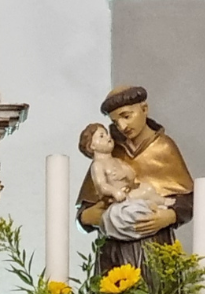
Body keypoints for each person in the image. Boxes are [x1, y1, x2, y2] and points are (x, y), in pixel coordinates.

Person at [76, 85, 194, 274]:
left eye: (126, 116)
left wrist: (169, 216)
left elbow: (188, 200)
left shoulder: (164, 147)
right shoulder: (107, 152)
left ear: (144, 109)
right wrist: (91, 216)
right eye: (115, 121)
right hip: (113, 253)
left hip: (154, 249)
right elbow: (85, 211)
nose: (122, 127)